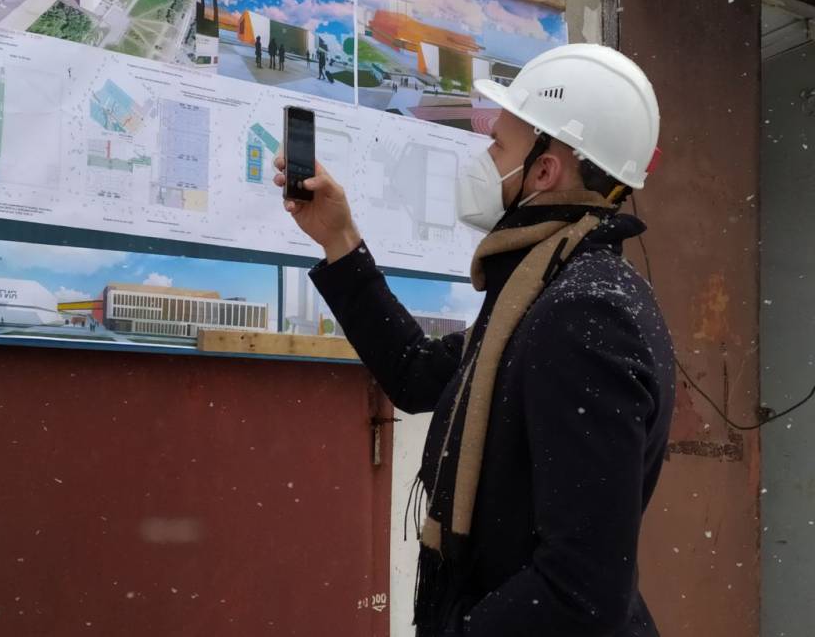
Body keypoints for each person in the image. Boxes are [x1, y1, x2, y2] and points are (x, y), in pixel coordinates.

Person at [274, 43, 675, 637]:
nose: (484, 159)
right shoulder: (540, 293)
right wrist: (339, 238)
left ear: (544, 170)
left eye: (498, 145)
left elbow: (582, 590)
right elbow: (416, 373)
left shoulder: (584, 314)